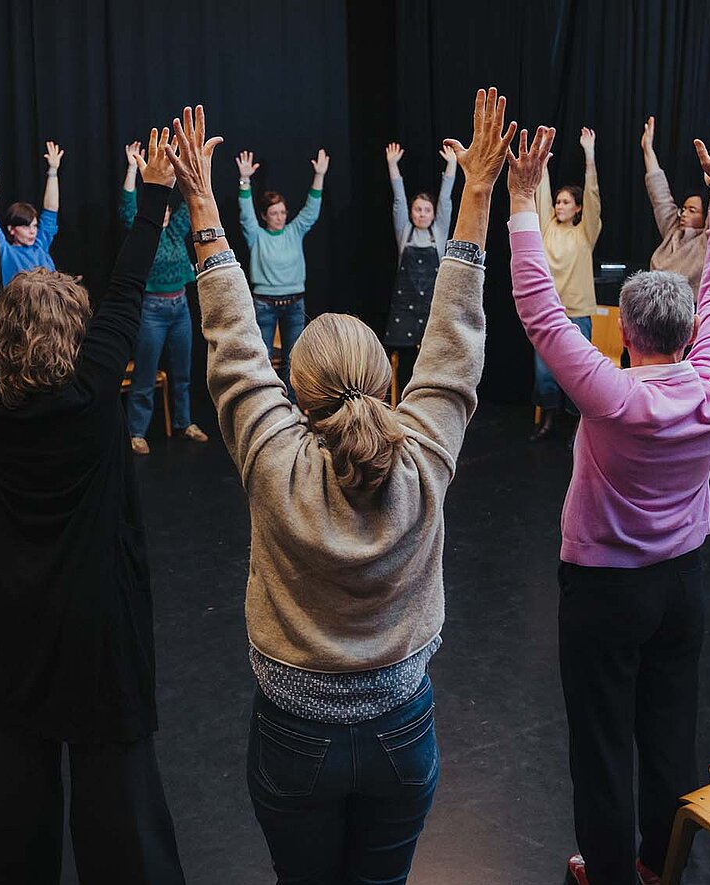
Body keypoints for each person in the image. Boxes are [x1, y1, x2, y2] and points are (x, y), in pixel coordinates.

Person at [175, 92, 507, 885]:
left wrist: (201, 202)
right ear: (389, 383)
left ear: (298, 391)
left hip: (295, 735)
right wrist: (481, 193)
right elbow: (455, 341)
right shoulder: (425, 455)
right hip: (401, 730)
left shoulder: (273, 459)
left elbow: (231, 342)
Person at [0, 133, 187, 884]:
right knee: (120, 802)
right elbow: (125, 288)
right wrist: (157, 196)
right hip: (98, 624)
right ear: (79, 338)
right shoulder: (89, 393)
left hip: (13, 620)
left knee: (12, 790)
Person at [523, 115, 710, 885]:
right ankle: (662, 861)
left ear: (624, 329)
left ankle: (613, 874)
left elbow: (537, 310)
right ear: (689, 333)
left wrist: (522, 199)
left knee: (601, 741)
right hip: (682, 586)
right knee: (669, 728)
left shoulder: (610, 392)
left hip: (604, 591)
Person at [121, 139, 210, 454]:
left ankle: (185, 423)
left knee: (183, 373)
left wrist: (183, 167)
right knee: (145, 376)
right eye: (161, 211)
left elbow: (191, 202)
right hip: (153, 312)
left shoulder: (175, 231)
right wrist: (133, 167)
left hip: (180, 307)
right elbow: (128, 206)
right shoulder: (145, 235)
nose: (165, 215)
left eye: (168, 211)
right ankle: (136, 432)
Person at [528, 126, 601, 441]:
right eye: (557, 202)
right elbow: (540, 195)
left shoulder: (585, 233)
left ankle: (577, 425)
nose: (559, 206)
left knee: (577, 377)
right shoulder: (546, 228)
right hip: (549, 313)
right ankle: (548, 420)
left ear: (578, 208)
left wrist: (589, 155)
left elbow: (593, 196)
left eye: (566, 202)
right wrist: (542, 162)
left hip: (577, 313)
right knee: (545, 376)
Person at [235, 145, 328, 386]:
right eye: (274, 213)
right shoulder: (256, 235)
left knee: (294, 359)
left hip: (295, 303)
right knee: (262, 358)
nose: (280, 216)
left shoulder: (294, 231)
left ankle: (294, 405)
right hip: (265, 304)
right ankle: (268, 406)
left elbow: (311, 211)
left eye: (283, 212)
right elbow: (246, 214)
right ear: (265, 216)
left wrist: (319, 175)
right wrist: (245, 180)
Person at [381, 140, 457, 394]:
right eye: (418, 209)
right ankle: (403, 405)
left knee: (432, 361)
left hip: (432, 306)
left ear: (434, 214)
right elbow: (398, 201)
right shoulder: (405, 233)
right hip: (405, 308)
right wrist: (393, 166)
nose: (422, 214)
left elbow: (446, 201)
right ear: (412, 213)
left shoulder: (439, 234)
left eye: (427, 210)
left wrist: (452, 166)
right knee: (404, 364)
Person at [640, 116, 710, 288]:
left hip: (687, 311)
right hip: (653, 305)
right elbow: (660, 196)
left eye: (692, 210)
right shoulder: (673, 231)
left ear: (706, 217)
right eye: (684, 209)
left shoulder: (707, 241)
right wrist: (647, 149)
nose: (684, 213)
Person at [0, 140, 63, 284]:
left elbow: (51, 211)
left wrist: (53, 171)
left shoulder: (39, 245)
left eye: (34, 226)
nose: (32, 231)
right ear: (12, 229)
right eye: (26, 226)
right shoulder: (6, 252)